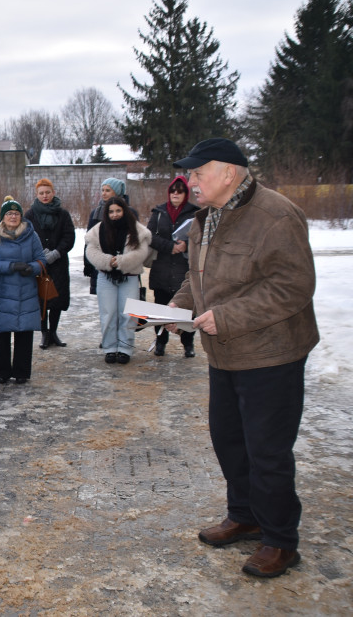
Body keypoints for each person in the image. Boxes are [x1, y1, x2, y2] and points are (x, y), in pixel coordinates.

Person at [168, 138, 317, 579]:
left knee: (267, 451)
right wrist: (177, 306)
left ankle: (280, 541)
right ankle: (245, 515)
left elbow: (293, 287)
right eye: (190, 175)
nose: (190, 181)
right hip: (225, 355)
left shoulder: (276, 215)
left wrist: (228, 317)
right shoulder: (205, 220)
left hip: (272, 354)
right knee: (229, 440)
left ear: (229, 173)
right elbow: (201, 279)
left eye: (198, 173)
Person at [84, 196, 152, 365]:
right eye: (111, 211)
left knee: (127, 314)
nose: (114, 215)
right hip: (105, 277)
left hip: (129, 276)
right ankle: (109, 347)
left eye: (118, 211)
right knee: (108, 314)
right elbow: (91, 251)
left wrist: (120, 261)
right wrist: (108, 261)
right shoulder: (98, 230)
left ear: (124, 211)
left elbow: (141, 252)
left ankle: (125, 348)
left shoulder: (136, 229)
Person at [0, 196, 45, 384]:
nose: (13, 216)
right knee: (3, 334)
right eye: (9, 213)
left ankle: (21, 372)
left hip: (26, 291)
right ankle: (2, 372)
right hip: (3, 293)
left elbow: (42, 260)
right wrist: (11, 266)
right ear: (3, 217)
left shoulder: (31, 235)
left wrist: (32, 268)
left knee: (24, 332)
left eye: (16, 213)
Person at [146, 175, 198, 357]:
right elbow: (150, 236)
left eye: (180, 190)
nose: (176, 193)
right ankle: (161, 342)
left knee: (186, 309)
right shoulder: (159, 212)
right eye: (173, 190)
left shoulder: (195, 213)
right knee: (161, 308)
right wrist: (170, 247)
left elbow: (200, 238)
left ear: (186, 193)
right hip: (162, 267)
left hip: (183, 268)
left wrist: (186, 247)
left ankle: (188, 344)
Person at [24, 179, 76, 349]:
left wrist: (56, 252)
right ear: (36, 195)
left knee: (57, 299)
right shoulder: (30, 215)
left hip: (59, 262)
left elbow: (69, 237)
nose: (45, 196)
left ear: (53, 192)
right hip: (39, 263)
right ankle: (44, 334)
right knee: (41, 300)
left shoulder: (63, 214)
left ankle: (53, 332)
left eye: (47, 192)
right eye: (41, 193)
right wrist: (39, 253)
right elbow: (25, 236)